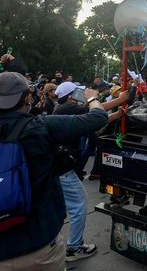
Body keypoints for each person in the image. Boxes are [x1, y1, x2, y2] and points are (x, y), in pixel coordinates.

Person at [0, 71, 108, 270]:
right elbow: (98, 117)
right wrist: (92, 98)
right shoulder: (42, 127)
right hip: (40, 250)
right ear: (28, 98)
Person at [53, 81, 127, 261]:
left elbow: (95, 121)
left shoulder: (64, 109)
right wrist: (120, 99)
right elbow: (97, 113)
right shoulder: (68, 108)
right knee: (79, 205)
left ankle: (58, 244)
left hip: (59, 167)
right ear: (70, 96)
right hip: (63, 168)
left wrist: (117, 114)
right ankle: (74, 247)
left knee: (64, 206)